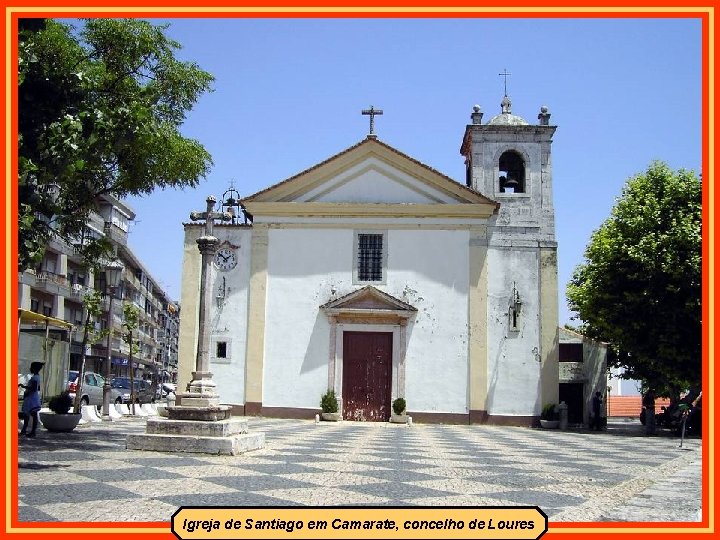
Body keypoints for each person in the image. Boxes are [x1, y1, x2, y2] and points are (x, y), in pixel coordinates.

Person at [18, 362, 44, 437]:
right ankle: (26, 430)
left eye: (31, 367)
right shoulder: (37, 377)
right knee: (29, 414)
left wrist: (24, 387)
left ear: (34, 368)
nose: (30, 369)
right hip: (32, 398)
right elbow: (37, 388)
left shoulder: (35, 378)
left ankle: (32, 432)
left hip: (31, 399)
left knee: (32, 414)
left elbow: (34, 388)